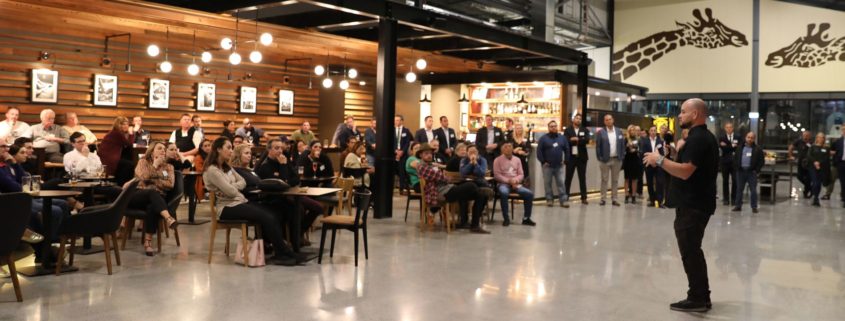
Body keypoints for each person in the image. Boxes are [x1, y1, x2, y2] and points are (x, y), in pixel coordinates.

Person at [643, 99, 718, 312]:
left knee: (690, 251)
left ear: (695, 114)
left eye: (683, 112)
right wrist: (675, 156)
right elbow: (690, 165)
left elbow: (685, 172)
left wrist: (659, 160)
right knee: (692, 251)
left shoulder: (698, 139)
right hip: (694, 203)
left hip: (693, 205)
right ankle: (701, 295)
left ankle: (697, 298)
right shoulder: (700, 137)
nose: (679, 116)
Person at [203, 137, 305, 266]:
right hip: (227, 207)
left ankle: (279, 251)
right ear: (218, 149)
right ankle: (284, 252)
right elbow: (232, 192)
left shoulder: (226, 167)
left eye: (231, 148)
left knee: (275, 211)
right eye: (228, 148)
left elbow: (242, 182)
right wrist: (232, 187)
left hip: (240, 201)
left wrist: (231, 186)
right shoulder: (212, 170)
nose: (231, 150)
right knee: (267, 217)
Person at [1, 143, 69, 264]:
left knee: (62, 204)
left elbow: (23, 180)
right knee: (52, 211)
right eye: (3, 146)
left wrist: (15, 164)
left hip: (23, 197)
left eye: (7, 146)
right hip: (15, 200)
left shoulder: (6, 165)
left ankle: (52, 242)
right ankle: (46, 247)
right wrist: (25, 187)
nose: (7, 149)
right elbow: (16, 187)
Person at [257, 138, 323, 244]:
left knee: (318, 207)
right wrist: (283, 168)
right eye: (276, 148)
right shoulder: (265, 166)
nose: (280, 151)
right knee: (299, 208)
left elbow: (296, 179)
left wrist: (286, 180)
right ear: (269, 150)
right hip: (278, 197)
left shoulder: (284, 161)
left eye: (281, 148)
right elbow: (280, 185)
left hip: (292, 192)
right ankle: (294, 237)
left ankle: (297, 233)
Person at [416, 143, 490, 234]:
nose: (429, 155)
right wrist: (445, 177)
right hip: (443, 193)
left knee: (481, 195)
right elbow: (444, 177)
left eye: (430, 153)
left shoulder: (430, 165)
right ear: (420, 155)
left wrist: (444, 177)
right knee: (471, 185)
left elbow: (442, 176)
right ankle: (471, 222)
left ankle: (474, 226)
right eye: (426, 153)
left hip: (449, 188)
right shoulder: (422, 166)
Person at [128, 140, 179, 256]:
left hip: (158, 198)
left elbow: (170, 184)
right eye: (160, 148)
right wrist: (155, 167)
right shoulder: (143, 163)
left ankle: (148, 243)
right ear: (152, 151)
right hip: (138, 195)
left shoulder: (168, 167)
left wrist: (152, 179)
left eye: (164, 149)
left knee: (152, 206)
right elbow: (144, 176)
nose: (163, 151)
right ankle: (168, 218)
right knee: (151, 192)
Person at [494, 141, 535, 227]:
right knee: (504, 193)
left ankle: (526, 218)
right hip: (503, 184)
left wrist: (515, 181)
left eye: (510, 147)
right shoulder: (497, 160)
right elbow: (497, 175)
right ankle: (506, 218)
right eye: (505, 147)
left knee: (529, 194)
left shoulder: (517, 159)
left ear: (512, 149)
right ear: (502, 149)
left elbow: (521, 174)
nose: (508, 148)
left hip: (516, 184)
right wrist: (508, 181)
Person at [537, 120, 570, 207]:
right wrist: (543, 161)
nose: (553, 128)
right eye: (551, 126)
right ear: (548, 128)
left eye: (555, 126)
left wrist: (566, 160)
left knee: (561, 184)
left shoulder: (562, 138)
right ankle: (549, 199)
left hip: (559, 166)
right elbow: (539, 151)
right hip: (547, 166)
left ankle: (563, 200)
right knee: (547, 184)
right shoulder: (543, 138)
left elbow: (567, 149)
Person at [596, 114, 625, 206]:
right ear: (604, 122)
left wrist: (622, 156)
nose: (608, 121)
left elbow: (622, 145)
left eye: (610, 119)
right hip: (605, 160)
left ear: (613, 120)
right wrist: (600, 158)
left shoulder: (619, 131)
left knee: (615, 180)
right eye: (606, 120)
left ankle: (615, 199)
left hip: (617, 159)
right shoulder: (601, 132)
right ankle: (603, 198)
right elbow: (598, 146)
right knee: (604, 179)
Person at [731, 132, 764, 213]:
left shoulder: (758, 149)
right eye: (748, 137)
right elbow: (735, 158)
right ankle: (738, 205)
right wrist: (737, 168)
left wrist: (756, 170)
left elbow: (761, 161)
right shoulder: (740, 148)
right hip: (741, 172)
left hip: (751, 173)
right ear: (746, 138)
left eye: (752, 138)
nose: (750, 139)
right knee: (739, 189)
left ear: (754, 139)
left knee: (753, 190)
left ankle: (754, 206)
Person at [99, 117, 136, 185]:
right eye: (123, 124)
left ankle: (122, 184)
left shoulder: (115, 132)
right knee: (130, 165)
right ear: (118, 125)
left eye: (127, 124)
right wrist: (131, 134)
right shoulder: (117, 133)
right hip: (109, 158)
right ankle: (123, 185)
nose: (126, 126)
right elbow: (129, 144)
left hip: (109, 156)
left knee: (128, 161)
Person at [563, 114, 590, 204]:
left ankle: (584, 197)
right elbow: (566, 141)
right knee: (568, 178)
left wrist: (577, 139)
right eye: (576, 118)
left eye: (580, 119)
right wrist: (577, 140)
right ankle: (565, 196)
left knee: (582, 178)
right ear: (573, 119)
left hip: (581, 158)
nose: (578, 120)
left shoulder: (584, 130)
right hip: (571, 157)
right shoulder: (568, 130)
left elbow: (587, 140)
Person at [640, 125, 666, 208]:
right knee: (649, 183)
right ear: (649, 132)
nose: (653, 132)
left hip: (658, 166)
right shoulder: (645, 142)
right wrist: (651, 162)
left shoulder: (660, 142)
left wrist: (656, 163)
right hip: (649, 165)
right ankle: (652, 200)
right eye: (652, 130)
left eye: (655, 130)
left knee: (660, 182)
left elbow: (662, 154)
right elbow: (643, 153)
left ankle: (660, 201)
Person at [811, 132, 834, 207]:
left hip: (822, 167)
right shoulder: (813, 147)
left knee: (819, 183)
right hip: (813, 167)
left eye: (822, 138)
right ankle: (815, 198)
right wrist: (815, 162)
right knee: (815, 182)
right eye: (819, 137)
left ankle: (816, 197)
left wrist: (819, 163)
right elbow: (809, 155)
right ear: (817, 138)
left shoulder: (826, 148)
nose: (820, 139)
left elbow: (826, 158)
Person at [719, 123, 739, 205]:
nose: (729, 129)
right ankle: (726, 198)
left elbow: (738, 147)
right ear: (725, 129)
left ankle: (734, 199)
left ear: (733, 128)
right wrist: (732, 145)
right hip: (725, 162)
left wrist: (728, 146)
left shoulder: (738, 137)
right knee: (725, 181)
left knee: (735, 180)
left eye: (730, 127)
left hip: (734, 162)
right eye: (727, 127)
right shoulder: (722, 138)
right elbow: (723, 148)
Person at [789, 131, 812, 199]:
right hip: (801, 162)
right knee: (799, 176)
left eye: (807, 136)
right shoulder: (799, 141)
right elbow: (791, 147)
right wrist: (791, 155)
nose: (805, 137)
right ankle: (811, 188)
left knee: (808, 179)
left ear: (809, 136)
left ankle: (806, 192)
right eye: (804, 136)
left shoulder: (812, 143)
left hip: (809, 163)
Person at [394, 115, 413, 195]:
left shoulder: (406, 130)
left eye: (397, 120)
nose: (396, 122)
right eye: (395, 120)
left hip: (403, 154)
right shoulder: (391, 130)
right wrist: (396, 151)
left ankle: (401, 189)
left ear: (401, 121)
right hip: (394, 154)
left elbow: (407, 142)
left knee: (402, 172)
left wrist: (401, 151)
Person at [623, 125, 642, 204]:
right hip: (628, 159)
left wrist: (635, 150)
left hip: (635, 159)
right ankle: (626, 195)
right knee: (627, 178)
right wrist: (627, 147)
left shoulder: (638, 140)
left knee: (634, 179)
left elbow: (641, 150)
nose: (632, 132)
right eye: (630, 130)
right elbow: (623, 149)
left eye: (633, 130)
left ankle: (634, 196)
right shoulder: (626, 139)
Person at [832, 127, 845, 206]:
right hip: (842, 163)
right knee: (843, 183)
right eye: (843, 129)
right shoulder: (839, 141)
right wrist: (837, 161)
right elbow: (834, 151)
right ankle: (844, 199)